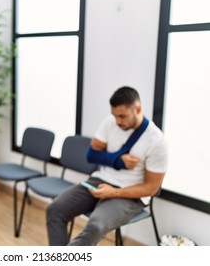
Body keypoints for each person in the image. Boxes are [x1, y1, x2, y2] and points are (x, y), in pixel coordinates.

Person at [46, 86, 168, 246]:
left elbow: (151, 188)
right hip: (100, 180)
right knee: (54, 210)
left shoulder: (157, 141)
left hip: (130, 194)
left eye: (122, 116)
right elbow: (92, 155)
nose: (118, 121)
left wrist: (114, 192)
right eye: (115, 116)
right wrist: (117, 160)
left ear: (137, 109)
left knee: (95, 226)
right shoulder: (111, 121)